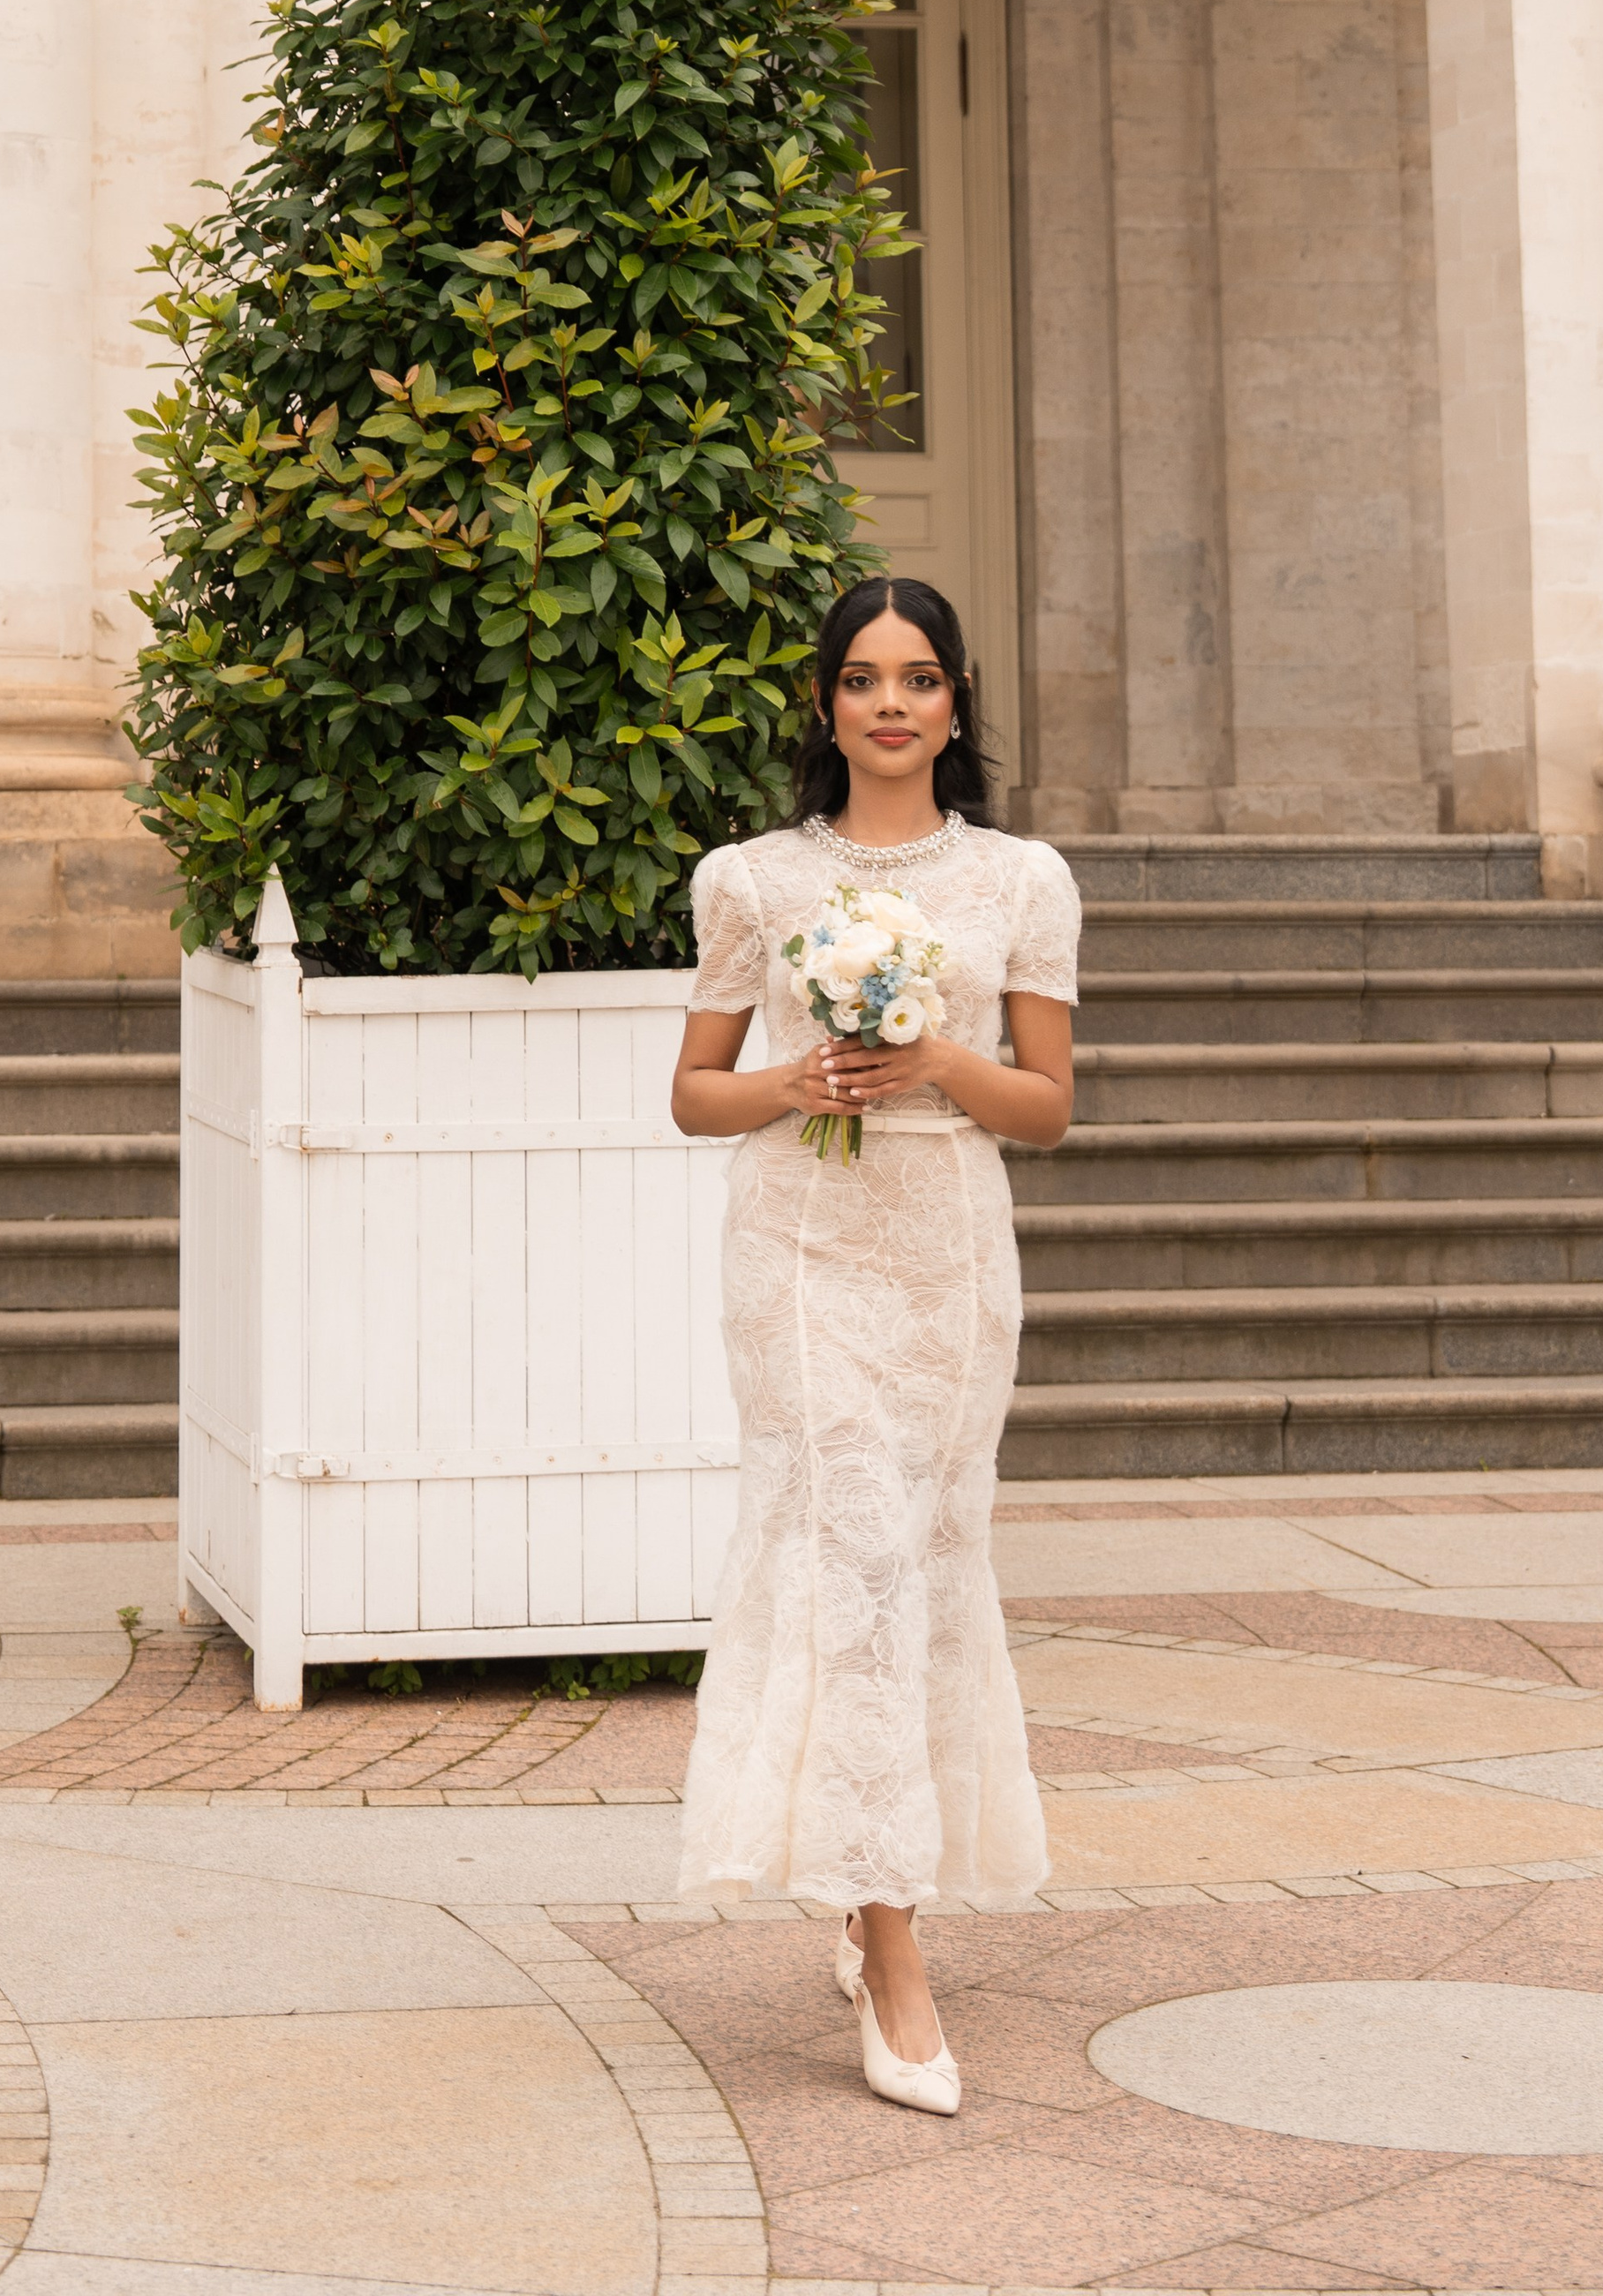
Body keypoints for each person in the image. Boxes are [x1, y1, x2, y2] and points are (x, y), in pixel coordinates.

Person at [667, 575, 1079, 2116]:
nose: (889, 704)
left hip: (949, 1262)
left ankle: (863, 1879)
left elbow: (1044, 1108)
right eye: (861, 679)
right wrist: (802, 1085)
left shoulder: (1024, 881)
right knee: (842, 1552)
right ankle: (896, 1957)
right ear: (826, 704)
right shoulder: (752, 883)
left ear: (957, 702)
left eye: (917, 679)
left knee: (919, 1560)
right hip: (799, 1252)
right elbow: (696, 1091)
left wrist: (935, 1059)